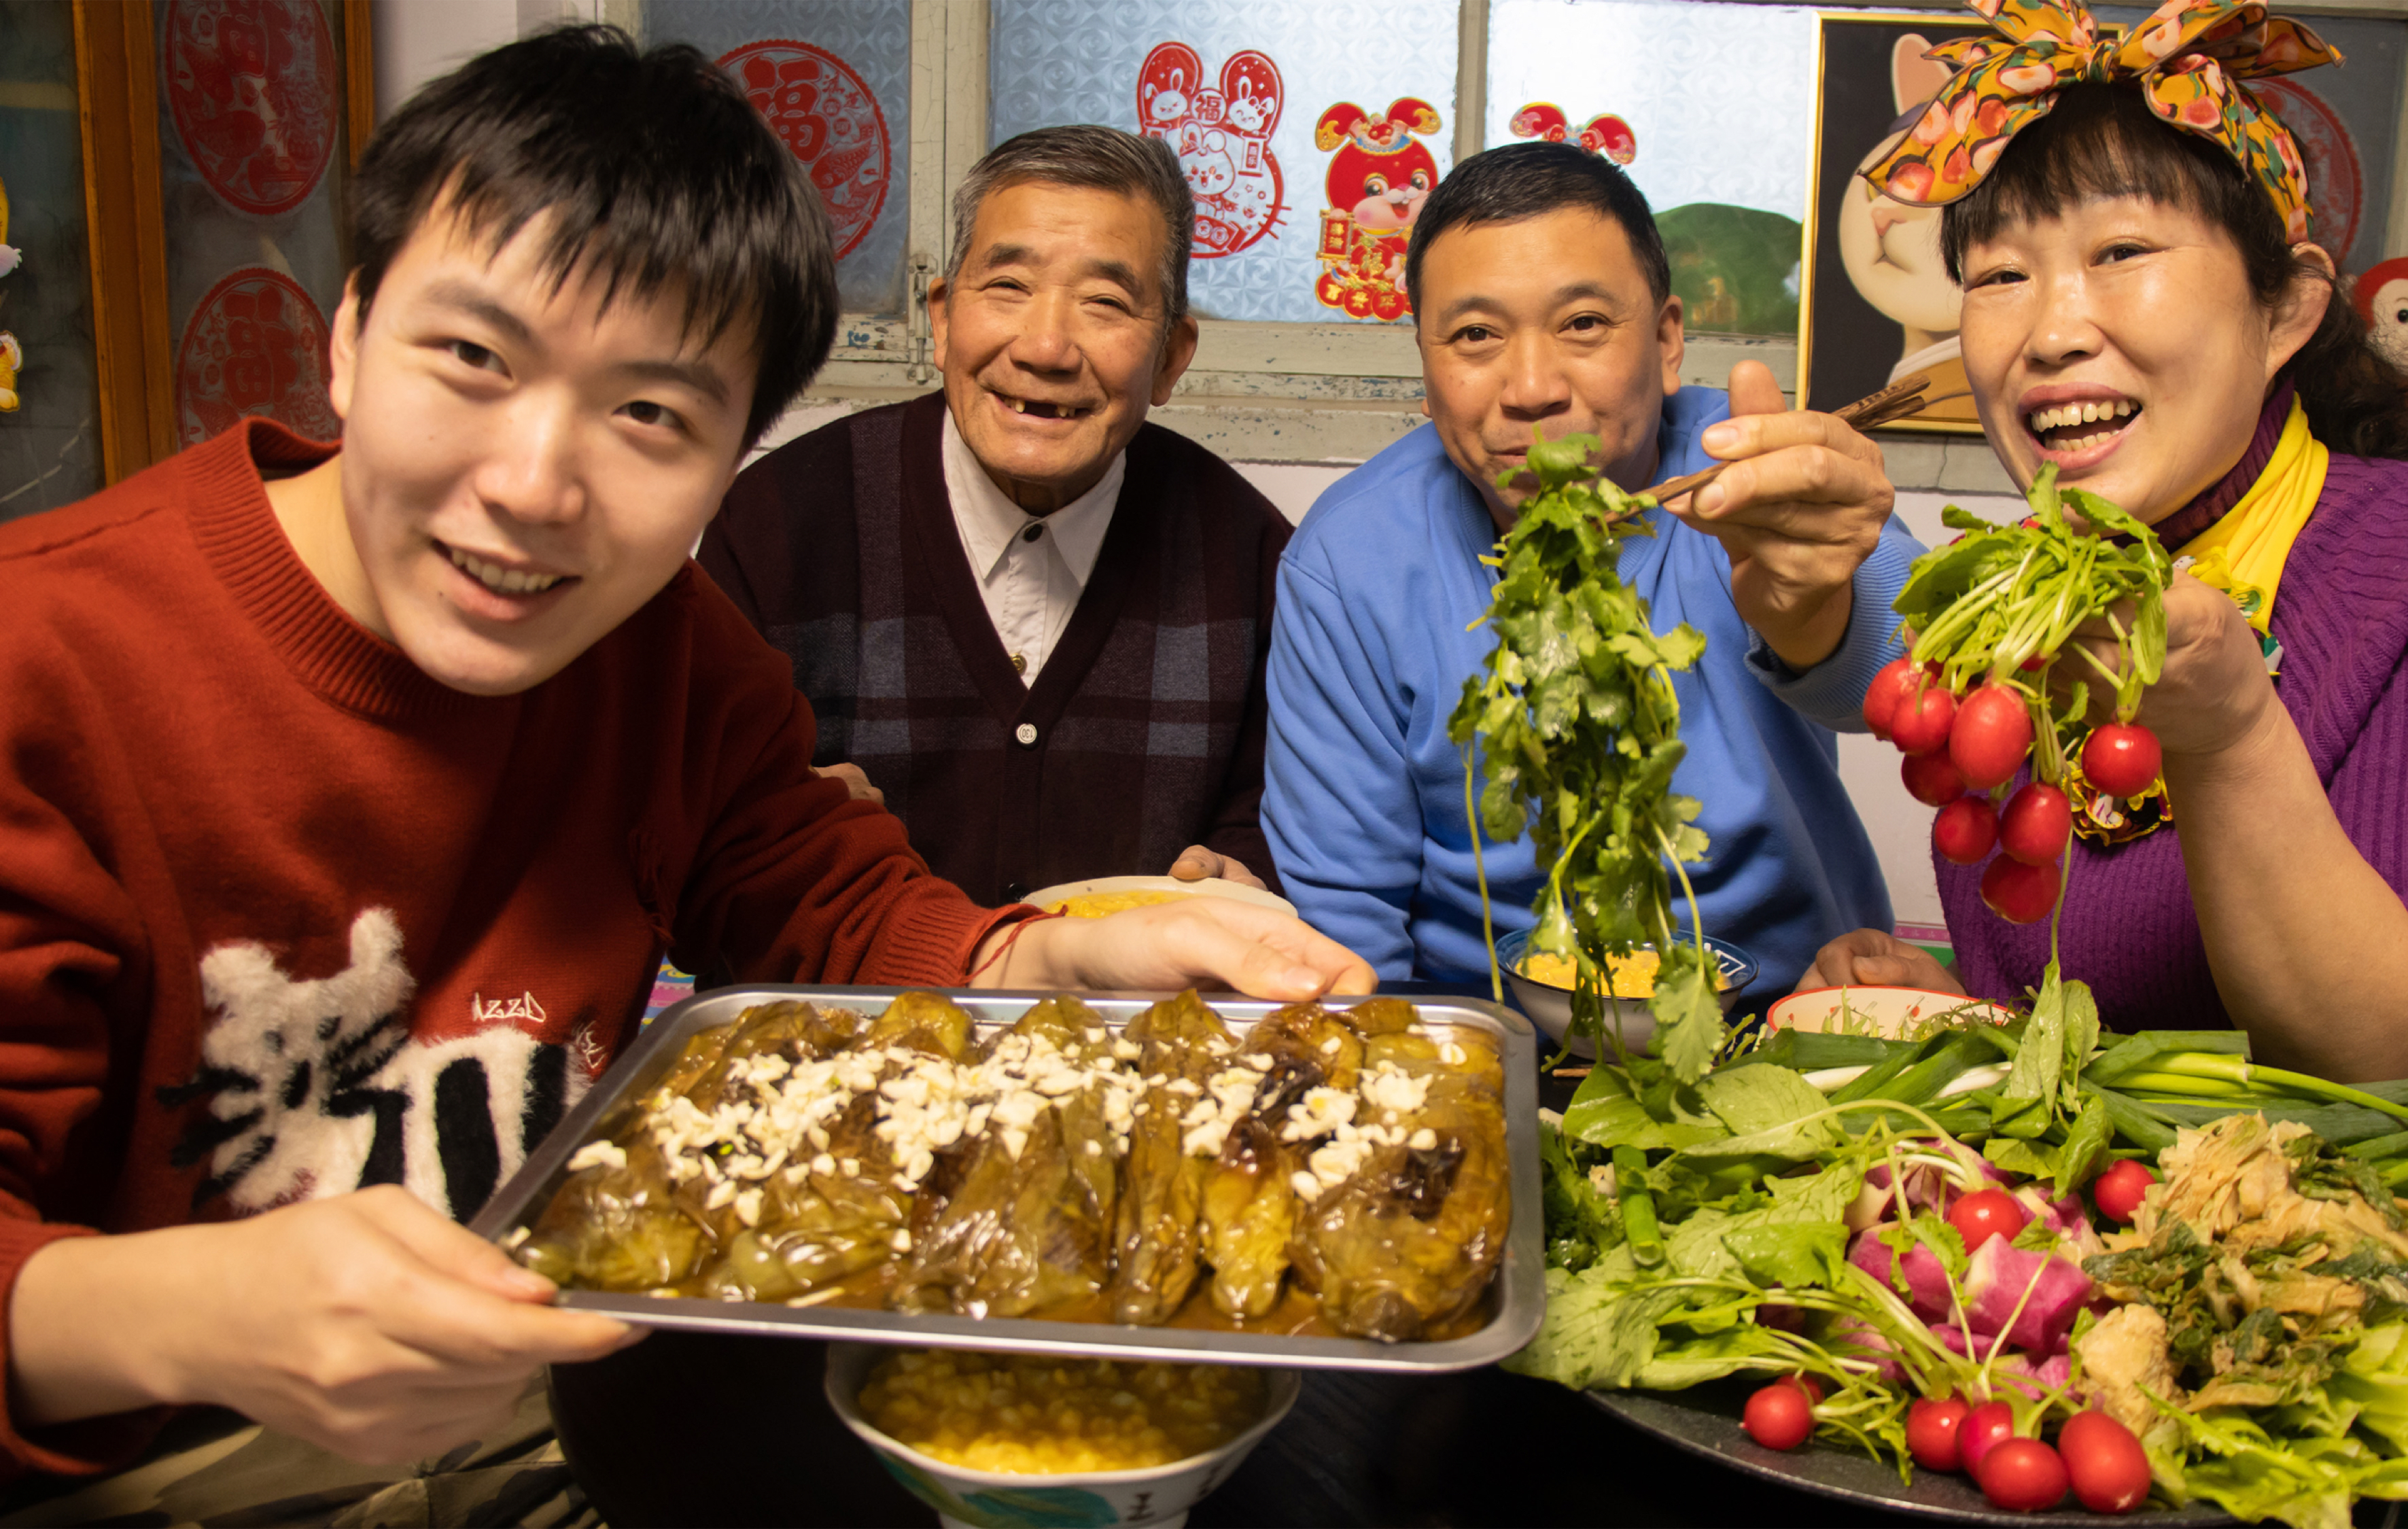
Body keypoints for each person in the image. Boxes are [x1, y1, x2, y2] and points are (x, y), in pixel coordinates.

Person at [0, 29, 1366, 1490]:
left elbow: (816, 898)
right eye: (472, 357)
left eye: (649, 412)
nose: (531, 487)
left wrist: (1048, 961)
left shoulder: (667, 647)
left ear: (732, 458)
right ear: (346, 334)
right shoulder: (51, 661)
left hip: (557, 1424)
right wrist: (183, 1317)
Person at [1800, 5, 2408, 1519]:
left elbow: (2385, 1060)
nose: (2046, 327)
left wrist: (2223, 728)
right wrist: (1932, 1009)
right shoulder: (2026, 599)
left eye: (2118, 254)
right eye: (1993, 275)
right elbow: (2092, 1017)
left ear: (2287, 307)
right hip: (2205, 1286)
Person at [1263, 141, 1926, 999]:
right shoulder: (1349, 562)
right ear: (1424, 368)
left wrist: (1819, 603)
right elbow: (1346, 922)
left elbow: (1911, 679)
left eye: (1582, 325)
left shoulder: (1759, 477)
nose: (1532, 388)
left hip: (1791, 1005)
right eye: (1475, 336)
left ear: (1667, 340)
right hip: (1482, 1025)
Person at [701, 126, 1289, 904]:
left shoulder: (1249, 554)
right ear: (942, 320)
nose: (1045, 347)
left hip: (1131, 1022)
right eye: (1007, 287)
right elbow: (691, 841)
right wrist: (771, 832)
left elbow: (1275, 830)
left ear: (1173, 357)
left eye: (1106, 302)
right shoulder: (781, 520)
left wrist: (1240, 877)